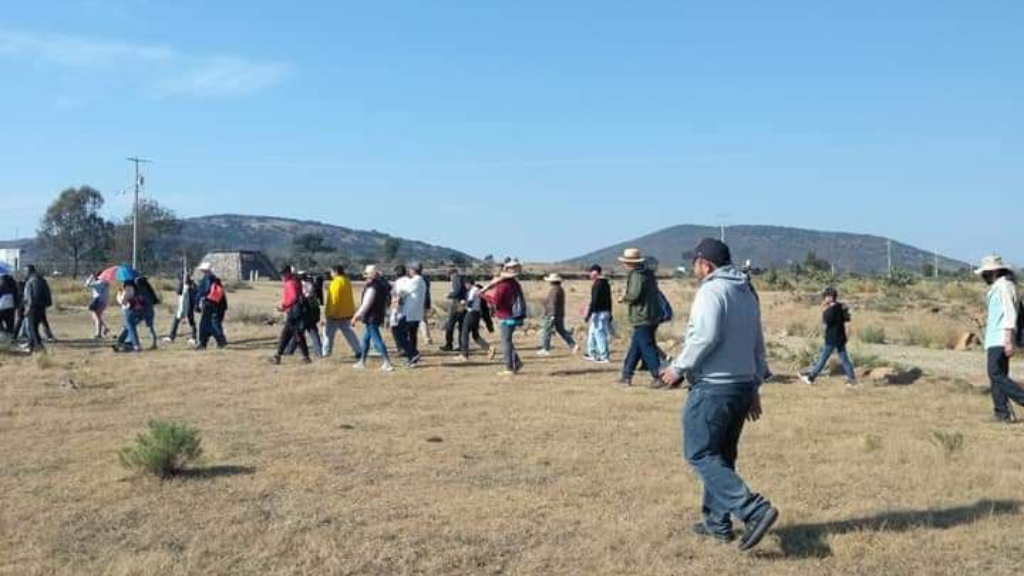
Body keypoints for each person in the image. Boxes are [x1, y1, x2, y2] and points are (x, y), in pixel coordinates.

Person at [659, 238, 778, 552]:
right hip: (740, 386)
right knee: (721, 456)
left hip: (714, 387)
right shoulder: (747, 292)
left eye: (695, 263)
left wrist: (678, 368)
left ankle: (754, 509)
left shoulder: (711, 290)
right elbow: (757, 342)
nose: (694, 269)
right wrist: (754, 384)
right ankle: (717, 524)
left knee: (699, 453)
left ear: (705, 265)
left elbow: (705, 335)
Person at [975, 255, 1024, 423]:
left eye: (986, 272)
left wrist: (1008, 340)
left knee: (995, 373)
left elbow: (1010, 313)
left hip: (1001, 338)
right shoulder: (999, 286)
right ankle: (1002, 413)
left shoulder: (1005, 286)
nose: (983, 276)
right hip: (995, 337)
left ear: (994, 271)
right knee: (997, 375)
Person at [616, 249, 663, 387]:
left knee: (646, 347)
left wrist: (624, 298)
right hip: (652, 314)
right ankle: (626, 375)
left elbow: (635, 294)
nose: (623, 264)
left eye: (625, 262)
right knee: (635, 347)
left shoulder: (636, 275)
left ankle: (658, 375)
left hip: (642, 316)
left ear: (630, 263)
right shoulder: (648, 274)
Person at [799, 287, 856, 386]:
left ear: (830, 297)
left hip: (832, 338)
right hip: (841, 337)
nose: (824, 299)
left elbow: (826, 321)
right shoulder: (841, 306)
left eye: (825, 297)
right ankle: (851, 378)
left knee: (823, 358)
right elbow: (847, 318)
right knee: (844, 359)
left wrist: (824, 309)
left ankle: (811, 377)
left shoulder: (831, 309)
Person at [481, 260, 526, 376]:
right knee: (508, 341)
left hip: (507, 316)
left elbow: (496, 302)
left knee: (505, 342)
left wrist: (482, 295)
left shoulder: (503, 285)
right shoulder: (514, 283)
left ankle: (509, 368)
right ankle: (516, 362)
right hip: (513, 315)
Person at [353, 265, 394, 372]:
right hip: (377, 314)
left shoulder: (372, 287)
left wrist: (356, 316)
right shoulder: (381, 284)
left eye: (366, 274)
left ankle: (387, 363)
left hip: (371, 317)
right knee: (366, 339)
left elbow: (366, 305)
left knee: (377, 340)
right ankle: (362, 361)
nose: (365, 277)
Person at [271, 266, 312, 365]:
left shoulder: (289, 283)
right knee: (291, 334)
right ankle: (278, 355)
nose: (282, 276)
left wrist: (284, 306)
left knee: (293, 335)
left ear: (287, 273)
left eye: (283, 274)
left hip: (293, 312)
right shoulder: (296, 281)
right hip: (298, 311)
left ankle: (304, 357)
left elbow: (293, 297)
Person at [392, 263, 427, 367]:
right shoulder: (421, 281)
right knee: (412, 335)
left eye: (410, 269)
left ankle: (413, 353)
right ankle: (412, 359)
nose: (409, 271)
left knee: (398, 331)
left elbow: (403, 291)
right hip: (416, 312)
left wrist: (395, 288)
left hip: (410, 312)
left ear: (413, 270)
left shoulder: (416, 280)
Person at [322, 265, 362, 358]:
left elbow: (334, 299)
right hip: (346, 312)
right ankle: (358, 350)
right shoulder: (346, 281)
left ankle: (325, 352)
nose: (331, 274)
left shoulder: (336, 282)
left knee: (328, 334)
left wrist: (331, 313)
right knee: (349, 333)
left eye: (331, 272)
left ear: (335, 272)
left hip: (335, 314)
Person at [537, 273, 578, 356]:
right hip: (559, 314)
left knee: (547, 331)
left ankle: (545, 348)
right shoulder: (560, 289)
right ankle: (573, 345)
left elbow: (552, 303)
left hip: (553, 314)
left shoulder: (554, 290)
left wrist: (551, 314)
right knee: (561, 330)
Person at [583, 265, 613, 364]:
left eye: (591, 272)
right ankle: (592, 353)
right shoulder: (605, 283)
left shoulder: (598, 284)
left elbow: (594, 301)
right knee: (592, 333)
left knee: (599, 334)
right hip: (603, 311)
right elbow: (609, 300)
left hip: (599, 312)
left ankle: (604, 356)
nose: (589, 274)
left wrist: (588, 314)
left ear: (595, 272)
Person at [459, 277, 494, 361]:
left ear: (468, 284)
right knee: (475, 335)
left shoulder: (473, 290)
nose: (465, 287)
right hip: (477, 314)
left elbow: (470, 303)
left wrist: (463, 303)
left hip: (471, 313)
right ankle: (489, 349)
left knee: (464, 333)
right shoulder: (477, 289)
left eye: (465, 285)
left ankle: (464, 355)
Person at [195, 262, 228, 350]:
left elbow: (202, 292)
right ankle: (220, 342)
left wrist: (197, 304)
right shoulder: (216, 279)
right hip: (219, 306)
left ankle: (204, 344)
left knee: (205, 325)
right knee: (215, 324)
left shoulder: (207, 279)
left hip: (209, 305)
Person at [21, 265, 51, 353]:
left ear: (29, 271)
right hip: (41, 306)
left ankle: (40, 347)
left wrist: (28, 309)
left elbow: (31, 297)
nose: (24, 273)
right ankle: (30, 346)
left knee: (32, 329)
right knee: (33, 327)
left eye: (25, 271)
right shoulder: (40, 279)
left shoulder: (32, 281)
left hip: (33, 307)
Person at [440, 264, 468, 352]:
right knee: (461, 326)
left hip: (457, 304)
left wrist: (449, 295)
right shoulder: (460, 277)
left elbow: (457, 291)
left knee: (450, 325)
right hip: (462, 304)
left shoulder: (455, 278)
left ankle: (449, 344)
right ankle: (461, 345)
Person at [165, 272, 197, 345]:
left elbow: (195, 293)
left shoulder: (193, 285)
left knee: (191, 322)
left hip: (190, 306)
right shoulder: (183, 284)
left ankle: (194, 337)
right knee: (176, 320)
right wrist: (182, 284)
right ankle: (171, 336)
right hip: (182, 307)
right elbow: (179, 292)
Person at [113, 280, 143, 353]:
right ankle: (120, 341)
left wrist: (119, 294)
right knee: (127, 327)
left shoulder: (128, 288)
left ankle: (135, 345)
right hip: (138, 310)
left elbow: (123, 301)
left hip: (129, 310)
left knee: (130, 327)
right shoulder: (137, 288)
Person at [135, 275, 161, 350]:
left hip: (143, 312)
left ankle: (133, 342)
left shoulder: (140, 290)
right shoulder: (149, 290)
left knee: (131, 326)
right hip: (150, 311)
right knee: (150, 328)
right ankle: (154, 343)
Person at [85, 271, 111, 339]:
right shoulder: (106, 282)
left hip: (98, 301)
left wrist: (91, 277)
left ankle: (98, 334)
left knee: (96, 317)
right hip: (104, 301)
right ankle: (105, 328)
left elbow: (87, 285)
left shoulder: (99, 283)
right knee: (96, 317)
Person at [419, 265, 435, 345]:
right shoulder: (426, 278)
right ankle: (427, 337)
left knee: (421, 319)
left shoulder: (418, 279)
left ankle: (426, 338)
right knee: (423, 319)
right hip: (427, 300)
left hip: (420, 301)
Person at [0, 272, 18, 337]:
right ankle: (10, 336)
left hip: (1, 308)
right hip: (11, 308)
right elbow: (16, 297)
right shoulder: (14, 286)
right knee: (10, 325)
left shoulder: (1, 286)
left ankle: (3, 333)